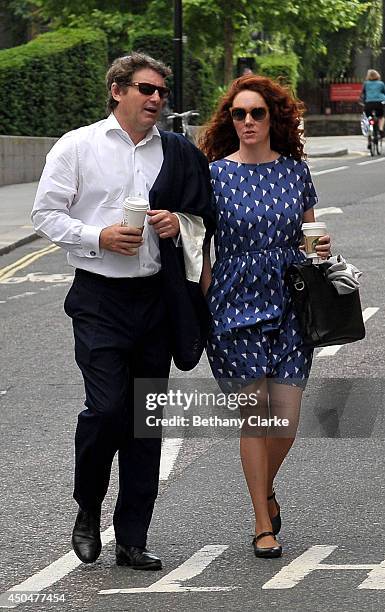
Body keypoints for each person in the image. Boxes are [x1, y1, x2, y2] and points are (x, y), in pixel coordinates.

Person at [32, 53, 213, 569]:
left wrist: (180, 224)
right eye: (145, 89)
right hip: (99, 298)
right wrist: (98, 237)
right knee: (108, 409)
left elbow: (205, 217)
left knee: (144, 422)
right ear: (117, 91)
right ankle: (88, 507)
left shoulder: (177, 152)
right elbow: (45, 213)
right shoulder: (79, 146)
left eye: (161, 91)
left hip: (156, 300)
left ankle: (132, 537)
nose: (156, 98)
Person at [199, 75, 331, 558]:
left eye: (257, 113)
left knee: (287, 421)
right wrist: (207, 298)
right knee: (255, 417)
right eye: (239, 114)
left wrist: (319, 246)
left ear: (274, 117)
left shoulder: (295, 171)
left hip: (293, 299)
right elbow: (200, 246)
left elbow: (310, 230)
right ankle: (262, 521)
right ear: (229, 120)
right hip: (234, 304)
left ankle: (266, 488)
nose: (248, 121)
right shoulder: (214, 174)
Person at [362, 69, 385, 135]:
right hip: (379, 103)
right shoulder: (381, 83)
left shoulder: (366, 84)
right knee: (381, 116)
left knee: (369, 116)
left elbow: (363, 93)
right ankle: (380, 129)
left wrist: (364, 101)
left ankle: (371, 125)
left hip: (369, 103)